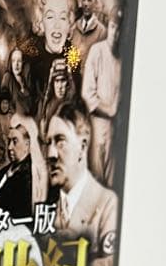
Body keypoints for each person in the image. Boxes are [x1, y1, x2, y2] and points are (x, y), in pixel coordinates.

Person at [45, 105, 117, 256]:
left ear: (82, 147)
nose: (51, 154)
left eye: (60, 142)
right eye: (48, 143)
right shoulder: (49, 210)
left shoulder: (108, 205)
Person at [81, 10, 122, 186]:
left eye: (119, 29)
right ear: (108, 27)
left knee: (112, 184)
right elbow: (87, 94)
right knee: (96, 181)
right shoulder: (97, 51)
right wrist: (110, 111)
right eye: (113, 27)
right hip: (97, 125)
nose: (115, 33)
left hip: (116, 130)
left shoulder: (123, 58)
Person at [29, 0, 79, 102]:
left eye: (63, 18)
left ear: (70, 23)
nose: (57, 25)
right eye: (50, 17)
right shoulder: (32, 54)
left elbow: (76, 96)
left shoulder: (73, 55)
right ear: (40, 22)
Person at [0, 115, 48, 216]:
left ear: (27, 144)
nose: (9, 147)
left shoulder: (31, 177)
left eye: (15, 141)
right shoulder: (3, 172)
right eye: (9, 141)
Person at [0, 47, 36, 116]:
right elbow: (3, 107)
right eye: (13, 61)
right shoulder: (7, 77)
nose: (16, 64)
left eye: (19, 61)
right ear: (10, 63)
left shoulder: (27, 82)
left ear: (23, 63)